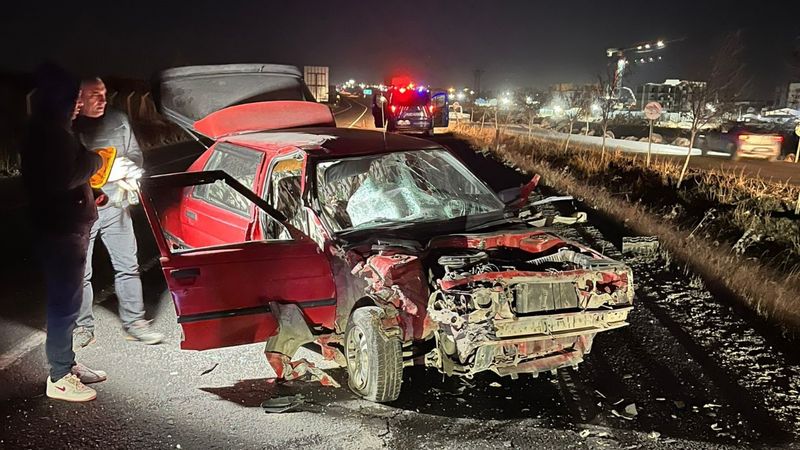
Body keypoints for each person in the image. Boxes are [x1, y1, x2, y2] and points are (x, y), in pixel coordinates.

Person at [21, 63, 108, 402]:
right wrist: (95, 161)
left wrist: (90, 194)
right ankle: (59, 377)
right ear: (58, 99)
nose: (77, 105)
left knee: (68, 302)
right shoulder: (49, 133)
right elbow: (62, 177)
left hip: (67, 227)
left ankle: (66, 363)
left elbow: (64, 178)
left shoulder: (54, 129)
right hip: (60, 231)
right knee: (64, 304)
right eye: (73, 98)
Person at [72, 77, 163, 347]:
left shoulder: (118, 119)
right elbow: (68, 170)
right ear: (79, 98)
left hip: (116, 206)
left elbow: (135, 154)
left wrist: (130, 170)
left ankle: (135, 322)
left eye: (104, 94)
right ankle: (82, 326)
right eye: (94, 95)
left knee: (128, 265)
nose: (102, 100)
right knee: (80, 273)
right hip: (82, 211)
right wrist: (103, 173)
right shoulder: (69, 126)